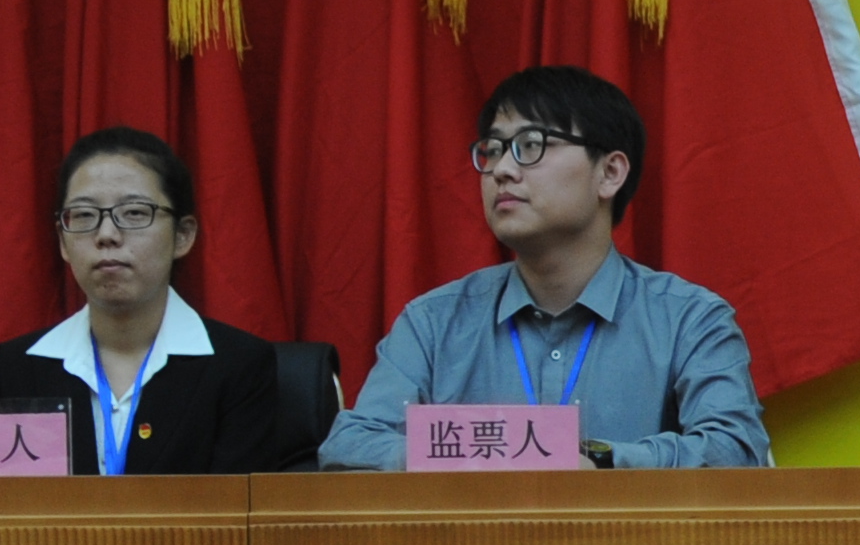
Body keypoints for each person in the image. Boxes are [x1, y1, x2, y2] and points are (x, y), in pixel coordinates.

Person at [323, 67, 775, 471]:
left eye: (531, 146)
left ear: (610, 173)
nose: (502, 169)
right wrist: (469, 457)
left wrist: (600, 461)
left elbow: (735, 451)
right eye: (493, 150)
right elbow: (348, 448)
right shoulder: (434, 323)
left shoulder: (690, 320)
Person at [0, 129, 321, 473]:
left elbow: (236, 504)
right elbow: (7, 498)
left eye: (134, 212)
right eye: (84, 215)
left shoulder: (239, 366)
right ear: (62, 241)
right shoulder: (17, 369)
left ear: (182, 235)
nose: (106, 235)